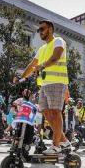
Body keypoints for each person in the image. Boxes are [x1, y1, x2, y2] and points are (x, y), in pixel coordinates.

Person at [20, 20, 71, 155]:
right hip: (44, 84)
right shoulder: (42, 49)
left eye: (42, 29)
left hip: (57, 82)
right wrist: (21, 76)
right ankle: (64, 141)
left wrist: (42, 66)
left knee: (55, 112)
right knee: (46, 113)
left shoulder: (58, 41)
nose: (40, 32)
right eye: (38, 30)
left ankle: (56, 146)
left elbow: (56, 57)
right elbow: (32, 64)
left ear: (50, 29)